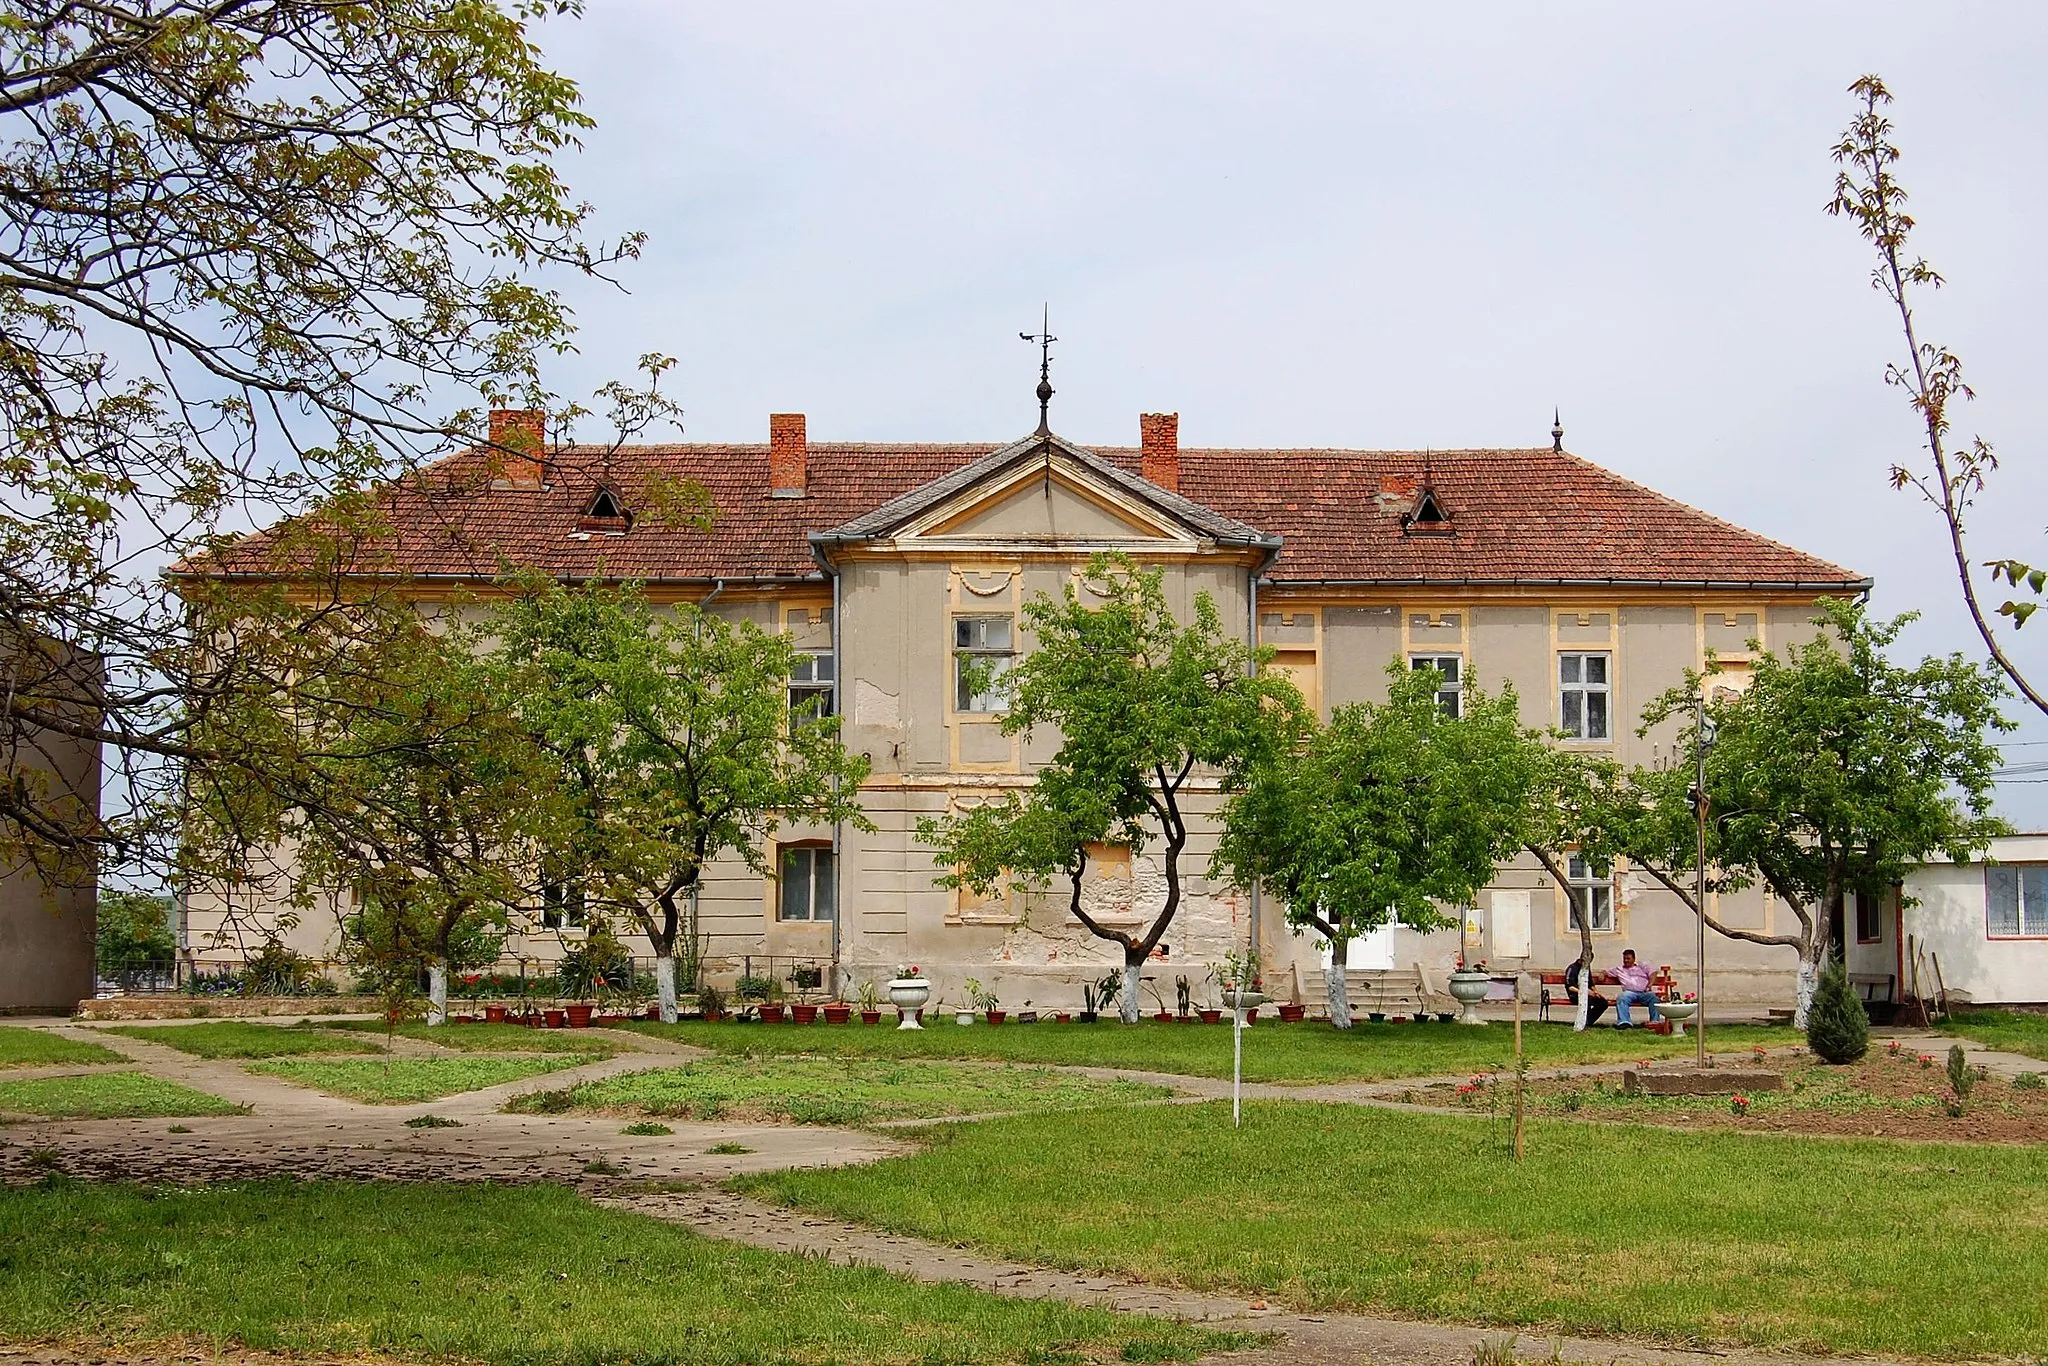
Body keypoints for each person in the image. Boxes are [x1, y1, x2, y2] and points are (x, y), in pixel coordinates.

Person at [1613, 949, 1662, 1029]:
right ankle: (1624, 1022)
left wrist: (1650, 984)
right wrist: (1603, 974)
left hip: (1644, 992)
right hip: (1629, 993)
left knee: (1654, 998)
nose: (1626, 961)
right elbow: (1606, 972)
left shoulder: (1642, 966)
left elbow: (1653, 972)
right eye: (1624, 958)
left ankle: (1655, 1022)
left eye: (1628, 958)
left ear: (1634, 959)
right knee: (1622, 997)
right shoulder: (1619, 969)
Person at [1563, 955, 1610, 1026]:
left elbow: (1591, 984)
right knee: (1587, 999)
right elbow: (1570, 987)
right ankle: (1584, 1022)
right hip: (1575, 994)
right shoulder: (1572, 968)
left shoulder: (1586, 968)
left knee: (1603, 1003)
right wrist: (1585, 992)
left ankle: (1588, 1021)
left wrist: (1596, 992)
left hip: (1587, 993)